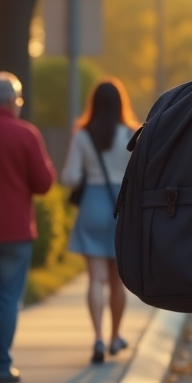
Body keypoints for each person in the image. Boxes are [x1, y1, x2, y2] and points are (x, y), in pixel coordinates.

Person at [0, 72, 56, 383]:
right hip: (15, 232)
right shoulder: (26, 134)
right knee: (7, 298)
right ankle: (1, 367)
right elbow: (44, 183)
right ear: (9, 101)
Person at [60, 78, 139, 364]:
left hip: (93, 204)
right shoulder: (131, 133)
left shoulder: (83, 136)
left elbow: (69, 176)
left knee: (95, 279)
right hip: (122, 208)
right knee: (117, 281)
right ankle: (116, 337)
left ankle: (97, 338)